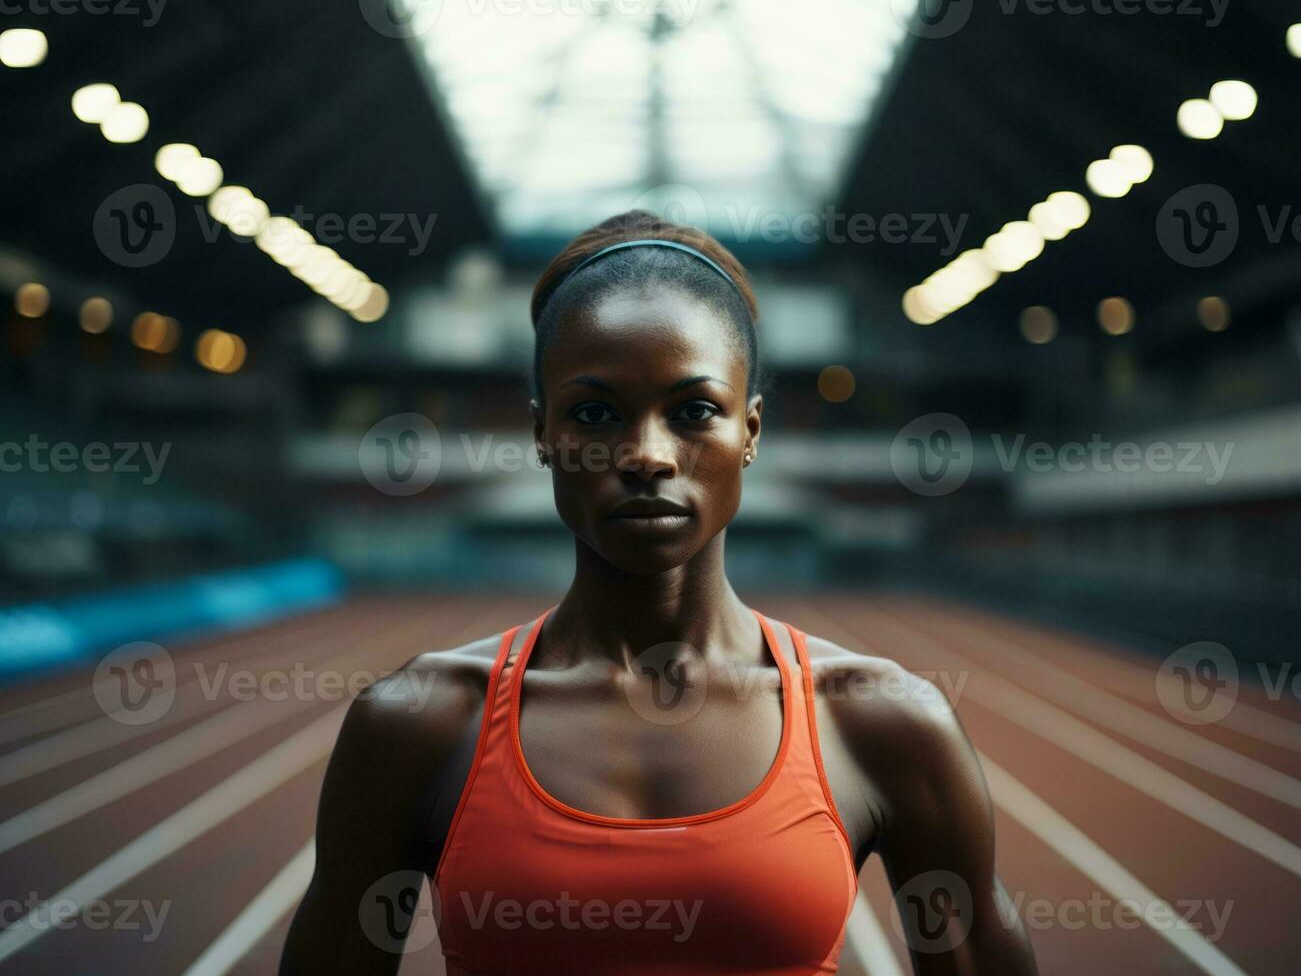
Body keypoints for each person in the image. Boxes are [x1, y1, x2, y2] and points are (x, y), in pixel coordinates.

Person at [280, 211, 1038, 975]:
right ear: (542, 434)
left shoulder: (883, 723)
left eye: (693, 411)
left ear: (750, 429)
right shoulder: (416, 724)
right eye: (595, 412)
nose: (644, 454)